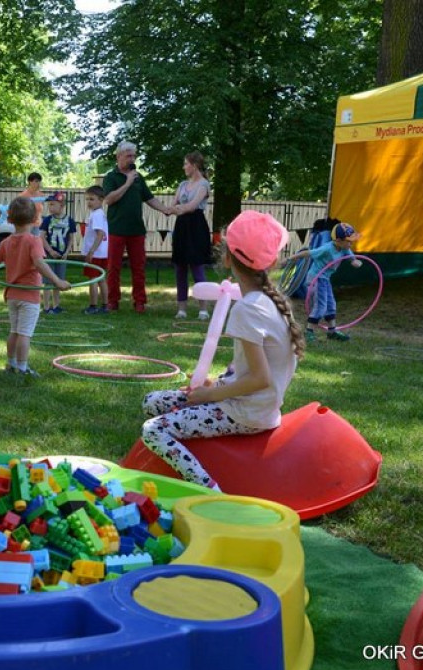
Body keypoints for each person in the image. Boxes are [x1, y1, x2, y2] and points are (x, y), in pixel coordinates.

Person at [141, 210, 303, 491]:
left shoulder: (247, 309)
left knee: (152, 430)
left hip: (246, 413)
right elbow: (249, 368)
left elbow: (259, 379)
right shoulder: (265, 301)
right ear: (273, 261)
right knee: (151, 401)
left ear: (227, 257)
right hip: (251, 403)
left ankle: (209, 489)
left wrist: (210, 395)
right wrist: (214, 382)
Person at [0, 196, 70, 377]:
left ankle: (11, 364)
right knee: (24, 334)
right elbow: (39, 263)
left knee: (14, 331)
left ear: (9, 220)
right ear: (35, 220)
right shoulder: (34, 241)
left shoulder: (6, 242)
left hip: (12, 295)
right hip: (28, 296)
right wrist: (58, 281)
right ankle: (22, 368)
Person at [102, 141, 174, 313]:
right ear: (118, 156)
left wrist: (164, 209)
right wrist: (127, 183)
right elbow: (109, 199)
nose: (132, 159)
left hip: (136, 230)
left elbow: (149, 198)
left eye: (134, 156)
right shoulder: (111, 177)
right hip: (116, 229)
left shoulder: (138, 177)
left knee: (139, 267)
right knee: (113, 267)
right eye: (128, 156)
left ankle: (140, 302)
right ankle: (113, 301)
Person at [294, 223, 362, 342]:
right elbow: (309, 253)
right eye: (349, 241)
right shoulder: (326, 249)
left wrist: (354, 261)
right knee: (321, 305)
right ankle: (309, 331)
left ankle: (332, 332)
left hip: (325, 279)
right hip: (316, 278)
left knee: (331, 304)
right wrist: (291, 259)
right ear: (339, 240)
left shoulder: (343, 248)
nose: (351, 243)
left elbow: (349, 254)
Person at [166, 152, 212, 320]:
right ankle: (182, 309)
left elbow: (192, 207)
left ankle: (203, 309)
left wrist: (175, 209)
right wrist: (169, 209)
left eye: (186, 164)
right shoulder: (182, 184)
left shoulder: (204, 184)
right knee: (180, 268)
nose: (184, 167)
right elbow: (173, 205)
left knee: (197, 268)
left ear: (194, 165)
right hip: (182, 227)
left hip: (196, 227)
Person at [39, 191, 77, 313]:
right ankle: (46, 307)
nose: (50, 207)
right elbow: (42, 236)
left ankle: (56, 306)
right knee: (48, 281)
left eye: (52, 204)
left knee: (58, 281)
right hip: (50, 255)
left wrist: (67, 252)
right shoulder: (47, 220)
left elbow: (71, 238)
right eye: (49, 204)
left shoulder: (69, 220)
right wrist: (50, 250)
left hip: (62, 256)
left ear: (61, 205)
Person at [81, 185, 109, 314]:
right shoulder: (99, 213)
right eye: (87, 199)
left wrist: (91, 251)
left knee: (93, 279)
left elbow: (100, 234)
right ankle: (105, 305)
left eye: (92, 199)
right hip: (102, 253)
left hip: (96, 254)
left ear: (101, 200)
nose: (89, 202)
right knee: (101, 279)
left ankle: (93, 306)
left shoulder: (97, 215)